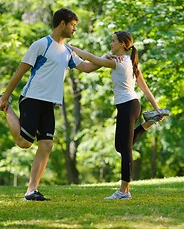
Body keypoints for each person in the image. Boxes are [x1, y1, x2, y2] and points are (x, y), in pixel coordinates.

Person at [0, 8, 100, 201]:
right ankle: (5, 105)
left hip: (49, 103)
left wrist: (107, 59)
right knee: (24, 142)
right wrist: (6, 96)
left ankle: (31, 191)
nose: (75, 29)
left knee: (46, 145)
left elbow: (87, 67)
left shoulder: (67, 51)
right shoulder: (41, 44)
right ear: (62, 24)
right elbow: (20, 71)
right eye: (73, 25)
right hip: (32, 97)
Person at [68, 31, 170, 199]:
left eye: (113, 41)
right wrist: (157, 108)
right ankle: (149, 121)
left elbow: (93, 59)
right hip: (132, 105)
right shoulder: (129, 61)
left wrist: (72, 48)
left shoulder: (120, 62)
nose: (111, 43)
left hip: (127, 106)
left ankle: (124, 191)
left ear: (122, 44)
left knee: (126, 149)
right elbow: (144, 89)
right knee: (120, 146)